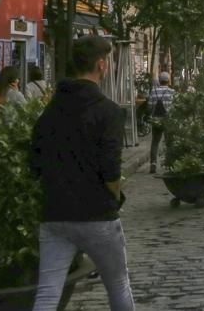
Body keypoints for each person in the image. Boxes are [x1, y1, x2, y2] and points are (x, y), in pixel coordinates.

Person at [29, 36, 134, 311]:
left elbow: (35, 163)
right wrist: (115, 196)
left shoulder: (49, 112)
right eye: (108, 61)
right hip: (97, 214)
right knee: (118, 286)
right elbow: (111, 169)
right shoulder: (108, 112)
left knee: (47, 293)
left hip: (55, 214)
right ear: (101, 65)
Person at [147, 72, 174, 174]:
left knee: (155, 142)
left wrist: (152, 114)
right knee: (169, 142)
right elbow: (175, 107)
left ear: (159, 80)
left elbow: (149, 107)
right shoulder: (171, 91)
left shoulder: (153, 91)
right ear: (168, 80)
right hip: (168, 120)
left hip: (156, 120)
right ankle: (170, 163)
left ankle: (153, 164)